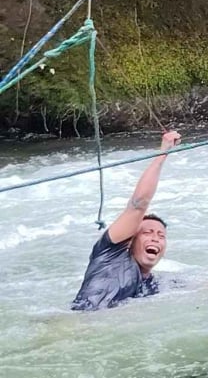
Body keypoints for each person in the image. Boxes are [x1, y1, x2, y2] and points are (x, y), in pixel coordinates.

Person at [71, 129, 181, 311]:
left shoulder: (155, 286)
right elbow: (138, 204)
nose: (155, 238)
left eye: (161, 236)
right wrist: (163, 152)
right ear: (129, 241)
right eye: (148, 232)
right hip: (78, 320)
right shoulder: (110, 254)